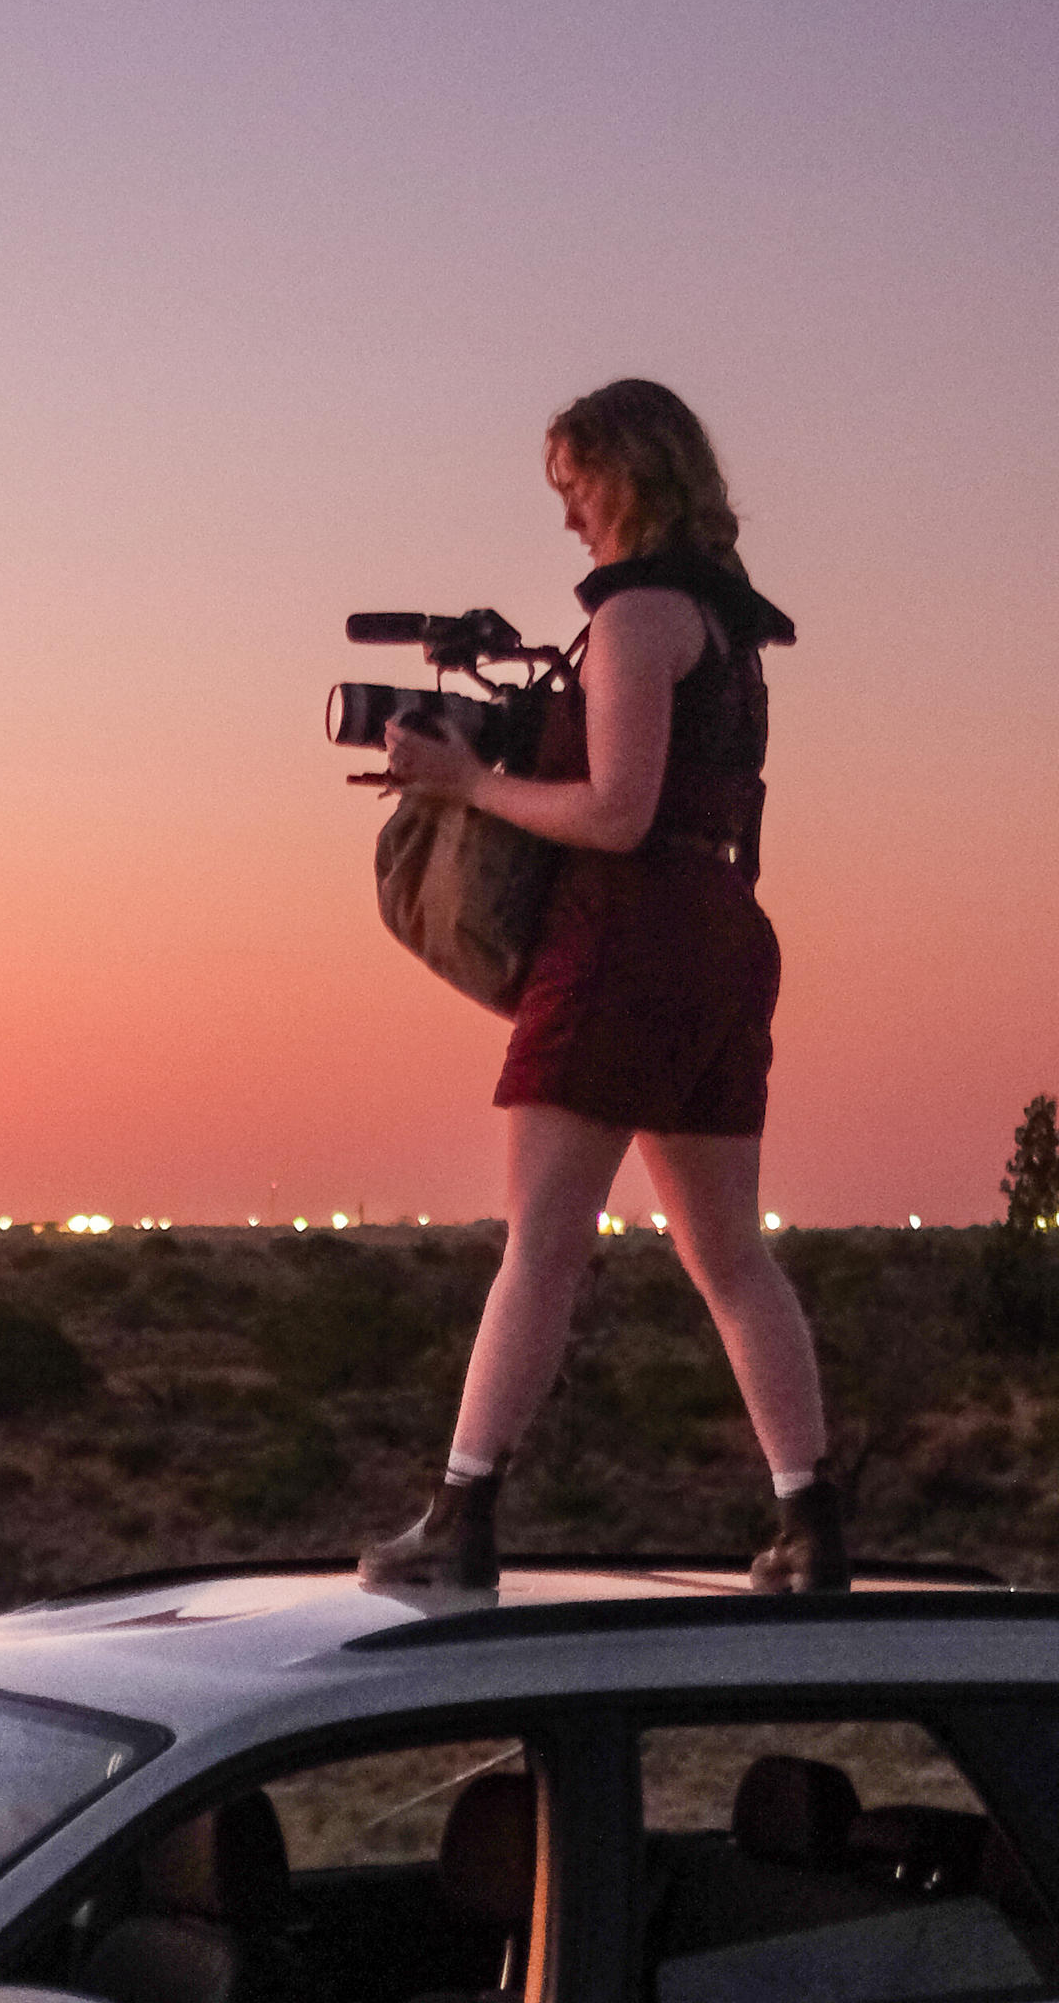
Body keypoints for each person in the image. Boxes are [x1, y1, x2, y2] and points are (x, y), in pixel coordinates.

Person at [357, 377, 842, 1599]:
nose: (569, 517)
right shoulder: (728, 629)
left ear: (625, 474)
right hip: (721, 940)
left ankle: (463, 1517)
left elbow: (617, 815)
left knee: (543, 1243)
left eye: (575, 488)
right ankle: (811, 1519)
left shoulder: (637, 618)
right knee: (731, 1255)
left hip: (623, 942)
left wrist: (467, 787)